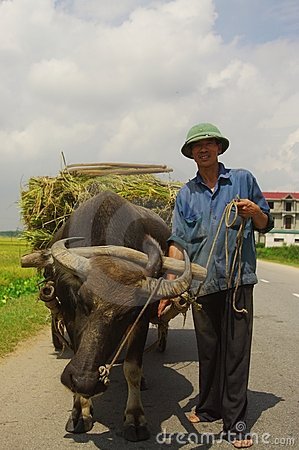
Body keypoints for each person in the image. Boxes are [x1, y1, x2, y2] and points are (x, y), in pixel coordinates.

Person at [158, 123, 274, 449]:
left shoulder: (242, 180)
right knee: (209, 352)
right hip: (202, 283)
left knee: (235, 354)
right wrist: (169, 287)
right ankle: (209, 408)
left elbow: (266, 222)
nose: (203, 149)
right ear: (191, 154)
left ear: (219, 148)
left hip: (237, 280)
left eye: (208, 144)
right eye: (196, 146)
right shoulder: (186, 194)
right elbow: (178, 242)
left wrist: (254, 213)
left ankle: (235, 425)